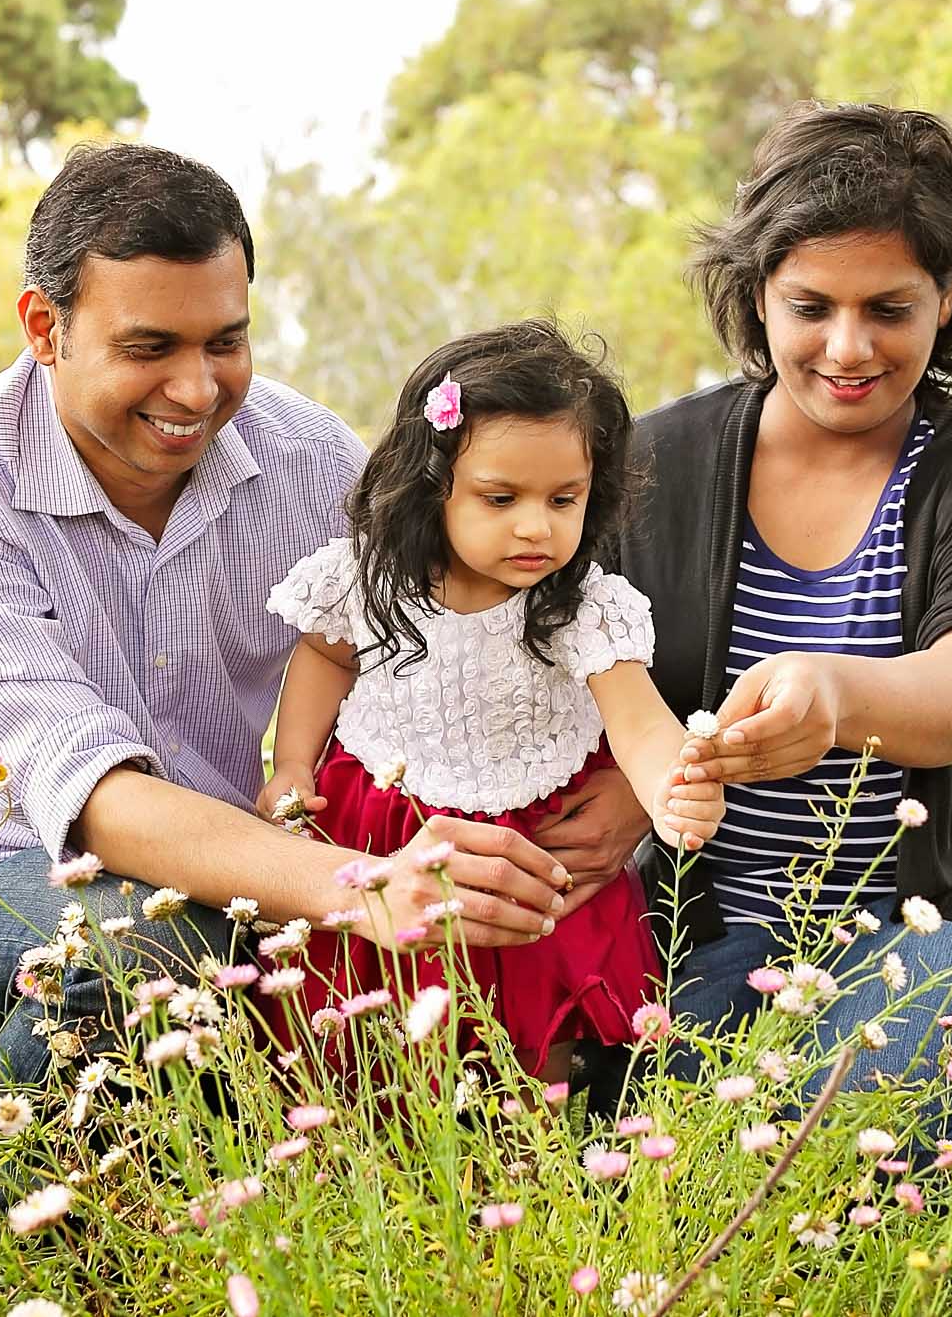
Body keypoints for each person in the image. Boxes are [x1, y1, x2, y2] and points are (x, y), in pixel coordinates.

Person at [0, 144, 650, 1087]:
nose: (197, 391)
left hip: (250, 870)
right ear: (45, 327)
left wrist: (630, 785)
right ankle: (18, 1190)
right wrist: (361, 888)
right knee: (140, 960)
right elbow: (87, 790)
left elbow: (489, 608)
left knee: (344, 1021)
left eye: (224, 342)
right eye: (148, 348)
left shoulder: (306, 455)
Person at [616, 101, 952, 1144]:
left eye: (889, 308)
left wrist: (835, 698)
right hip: (708, 930)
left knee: (856, 1081)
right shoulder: (652, 466)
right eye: (809, 306)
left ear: (948, 294)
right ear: (757, 297)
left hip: (942, 924)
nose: (847, 347)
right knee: (692, 1128)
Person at [258, 321, 724, 1078]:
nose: (536, 526)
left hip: (536, 838)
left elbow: (638, 723)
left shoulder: (583, 607)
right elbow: (322, 654)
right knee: (369, 1024)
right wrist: (294, 764)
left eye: (563, 498)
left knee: (533, 1024)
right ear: (432, 485)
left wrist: (677, 786)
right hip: (385, 824)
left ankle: (529, 1167)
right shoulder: (367, 580)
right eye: (500, 498)